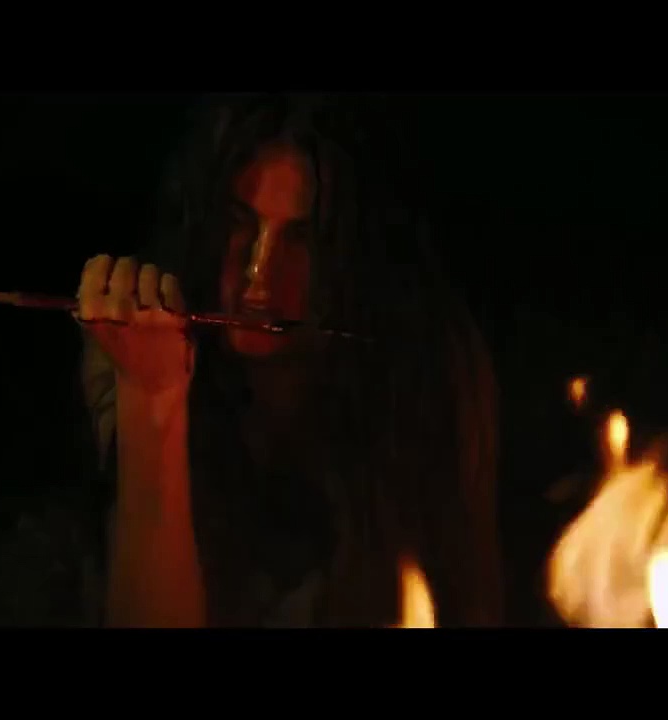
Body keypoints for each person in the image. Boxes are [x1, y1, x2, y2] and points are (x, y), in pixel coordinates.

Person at [77, 94, 503, 627]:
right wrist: (151, 397)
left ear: (358, 254)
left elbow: (463, 597)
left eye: (304, 239)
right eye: (239, 223)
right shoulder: (136, 340)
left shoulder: (422, 367)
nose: (259, 275)